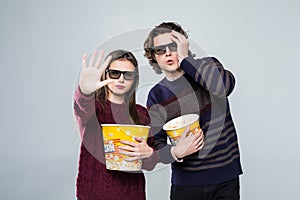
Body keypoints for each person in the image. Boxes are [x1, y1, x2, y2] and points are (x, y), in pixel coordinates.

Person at [143, 22, 243, 200]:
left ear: (183, 45)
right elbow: (155, 143)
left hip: (226, 178)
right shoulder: (157, 95)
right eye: (160, 50)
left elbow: (224, 87)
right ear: (153, 57)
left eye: (173, 46)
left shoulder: (208, 66)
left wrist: (186, 60)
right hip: (185, 184)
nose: (167, 52)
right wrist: (175, 152)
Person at [73, 49, 156, 200]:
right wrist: (84, 91)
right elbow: (81, 108)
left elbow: (149, 164)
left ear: (134, 79)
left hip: (133, 194)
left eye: (128, 75)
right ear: (105, 75)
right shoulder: (94, 107)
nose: (121, 80)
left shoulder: (142, 114)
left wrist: (149, 153)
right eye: (114, 73)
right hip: (94, 194)